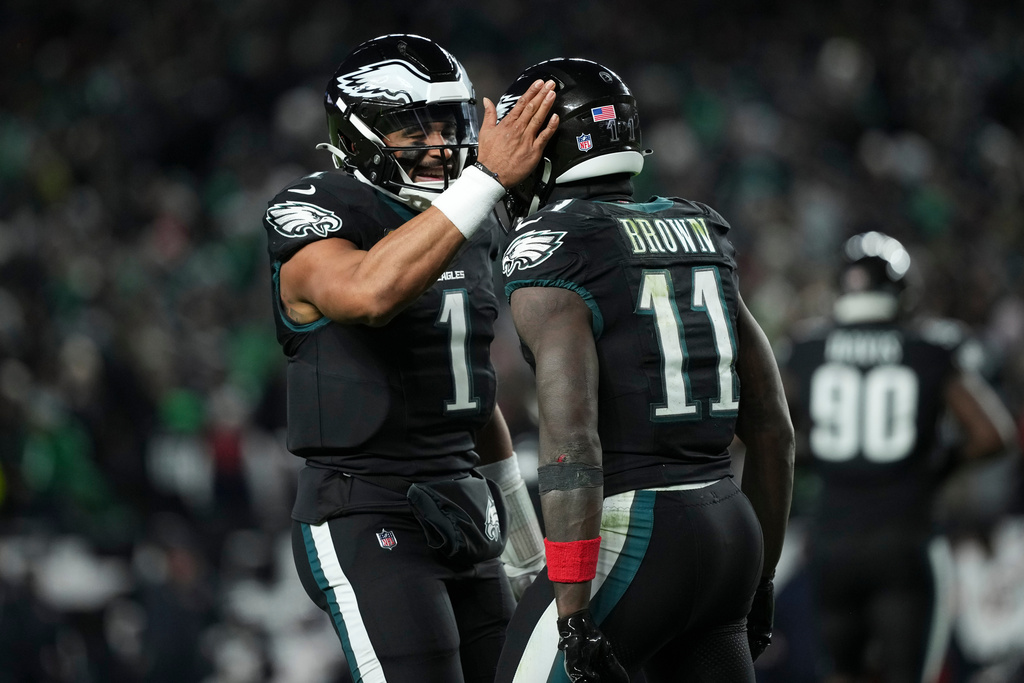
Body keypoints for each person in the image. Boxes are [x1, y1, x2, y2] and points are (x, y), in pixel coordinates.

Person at [261, 34, 554, 683]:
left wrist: (526, 547)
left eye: (450, 122)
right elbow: (369, 293)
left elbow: (471, 398)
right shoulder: (318, 211)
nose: (442, 142)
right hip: (367, 514)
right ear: (362, 133)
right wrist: (480, 183)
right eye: (416, 128)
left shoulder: (467, 219)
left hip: (464, 510)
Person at [492, 58, 795, 682]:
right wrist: (760, 573)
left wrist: (572, 611)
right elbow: (773, 430)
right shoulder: (699, 227)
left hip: (634, 532)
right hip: (729, 526)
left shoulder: (554, 242)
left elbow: (572, 441)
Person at [779, 231, 1018, 683]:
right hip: (906, 539)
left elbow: (768, 430)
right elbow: (993, 433)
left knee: (839, 674)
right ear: (900, 289)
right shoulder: (929, 346)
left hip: (833, 540)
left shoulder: (807, 348)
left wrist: (822, 458)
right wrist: (935, 465)